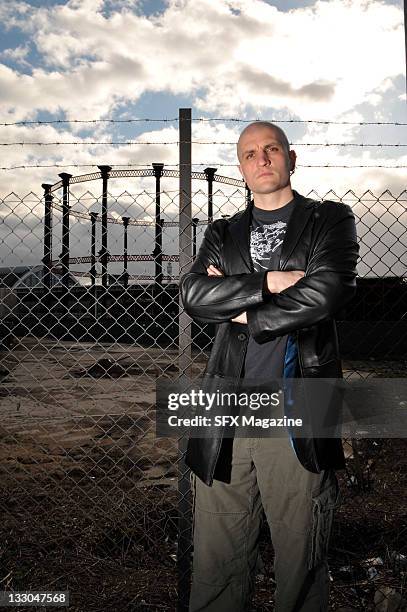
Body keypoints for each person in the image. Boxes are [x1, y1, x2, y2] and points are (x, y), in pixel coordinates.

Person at [180, 121, 359, 612]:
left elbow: (329, 291)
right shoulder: (221, 232)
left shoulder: (329, 220)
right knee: (217, 563)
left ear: (291, 158)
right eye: (250, 153)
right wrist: (274, 281)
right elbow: (194, 295)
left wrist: (238, 305)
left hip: (298, 409)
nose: (261, 159)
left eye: (271, 149)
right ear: (241, 168)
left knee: (300, 563)